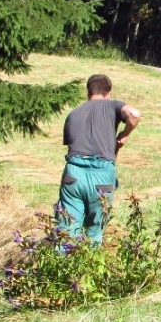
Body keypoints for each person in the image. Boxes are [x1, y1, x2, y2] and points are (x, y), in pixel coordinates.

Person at [55, 74, 141, 244]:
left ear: (88, 92)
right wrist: (124, 135)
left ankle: (61, 265)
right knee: (94, 231)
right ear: (108, 92)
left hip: (73, 174)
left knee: (67, 228)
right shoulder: (111, 105)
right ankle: (88, 266)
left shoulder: (73, 114)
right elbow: (134, 114)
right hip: (101, 175)